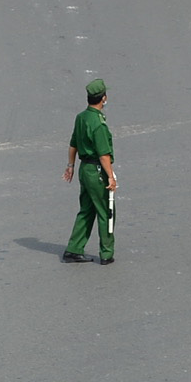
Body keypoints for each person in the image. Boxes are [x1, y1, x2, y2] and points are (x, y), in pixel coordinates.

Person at [63, 78, 117, 263]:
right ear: (103, 98)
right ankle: (106, 254)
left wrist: (70, 166)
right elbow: (104, 155)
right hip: (96, 171)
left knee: (86, 209)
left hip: (84, 170)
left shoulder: (81, 117)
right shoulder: (98, 124)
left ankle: (74, 248)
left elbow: (73, 144)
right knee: (106, 211)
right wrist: (110, 177)